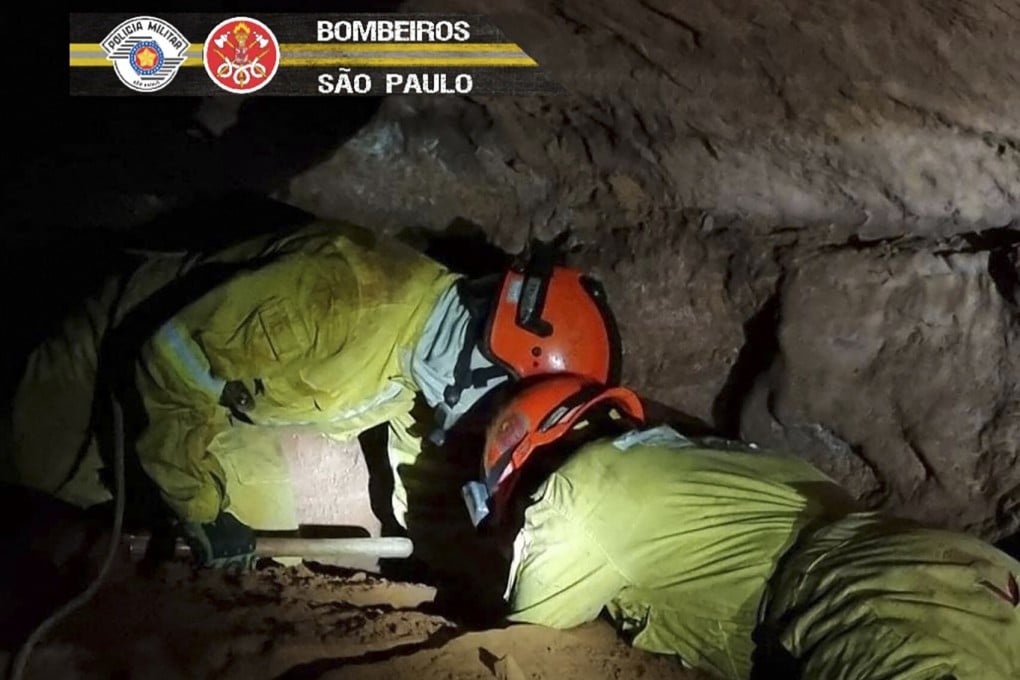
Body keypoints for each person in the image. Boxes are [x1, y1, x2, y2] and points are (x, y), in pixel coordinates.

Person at [3, 219, 622, 570]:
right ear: (495, 358)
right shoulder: (343, 295)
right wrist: (198, 504)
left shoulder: (432, 361)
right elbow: (174, 356)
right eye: (514, 400)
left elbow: (416, 452)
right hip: (124, 344)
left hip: (224, 399)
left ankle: (150, 493)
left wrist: (439, 546)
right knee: (34, 462)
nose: (504, 421)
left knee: (270, 530)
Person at [462, 375, 1020, 680]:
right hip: (974, 574)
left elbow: (529, 628)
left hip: (860, 598)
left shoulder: (578, 492)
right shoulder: (701, 454)